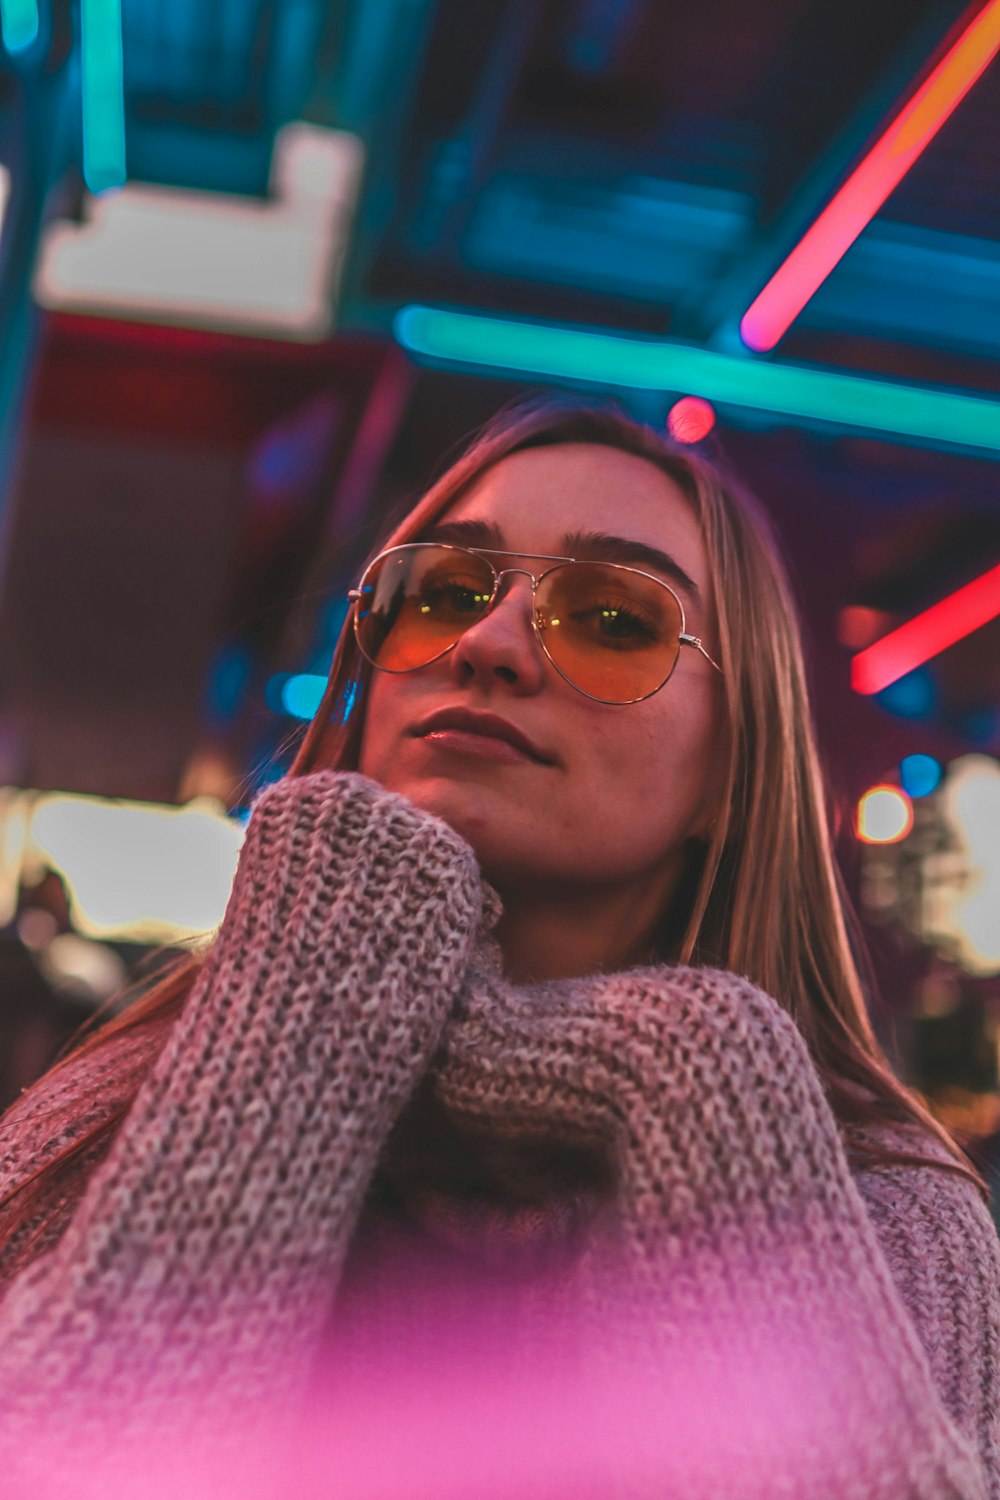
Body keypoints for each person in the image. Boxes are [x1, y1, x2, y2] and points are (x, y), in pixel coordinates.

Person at [0, 400, 997, 1499]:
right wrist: (308, 1007)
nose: (484, 645)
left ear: (731, 771)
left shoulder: (887, 1214)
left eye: (614, 620)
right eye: (439, 593)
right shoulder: (110, 1109)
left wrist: (693, 1071)